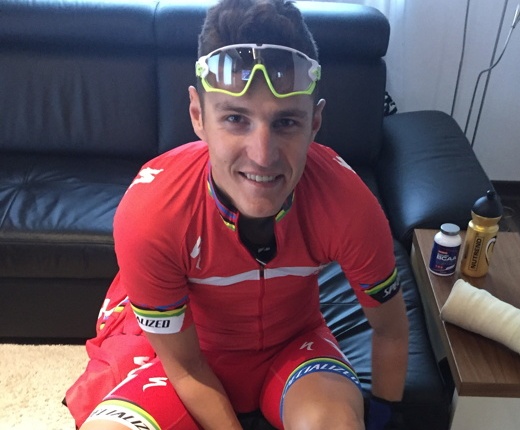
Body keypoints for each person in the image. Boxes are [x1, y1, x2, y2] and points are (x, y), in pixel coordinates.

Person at [74, 0, 409, 428]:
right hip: (180, 358)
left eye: (286, 123)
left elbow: (391, 330)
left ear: (315, 123)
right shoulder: (151, 213)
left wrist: (383, 419)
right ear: (198, 116)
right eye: (235, 118)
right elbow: (185, 367)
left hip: (294, 347)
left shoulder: (347, 201)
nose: (262, 155)